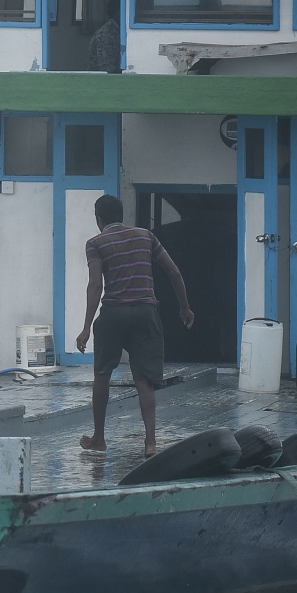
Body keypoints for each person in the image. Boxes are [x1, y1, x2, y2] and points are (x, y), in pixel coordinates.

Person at [74, 194, 193, 457]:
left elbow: (96, 284)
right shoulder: (146, 236)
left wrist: (85, 327)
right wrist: (184, 307)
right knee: (144, 379)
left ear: (99, 219)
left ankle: (99, 438)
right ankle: (150, 443)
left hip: (113, 313)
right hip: (145, 312)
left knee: (102, 374)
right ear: (121, 215)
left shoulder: (95, 243)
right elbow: (174, 272)